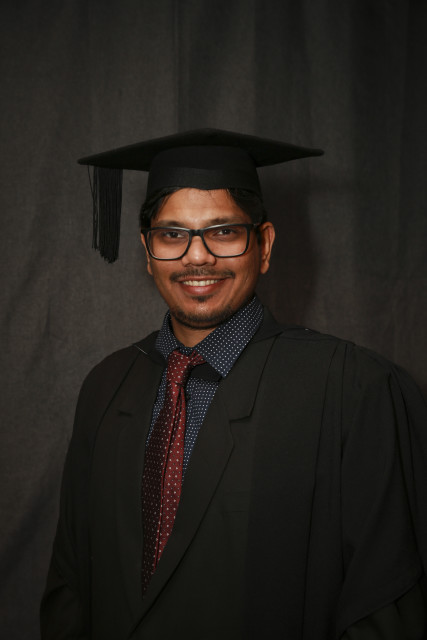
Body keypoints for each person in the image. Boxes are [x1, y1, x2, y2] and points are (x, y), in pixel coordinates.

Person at [41, 129, 427, 639]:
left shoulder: (353, 389)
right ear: (147, 251)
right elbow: (71, 586)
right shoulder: (106, 386)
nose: (197, 257)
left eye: (223, 231)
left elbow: (385, 605)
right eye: (172, 235)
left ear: (264, 245)